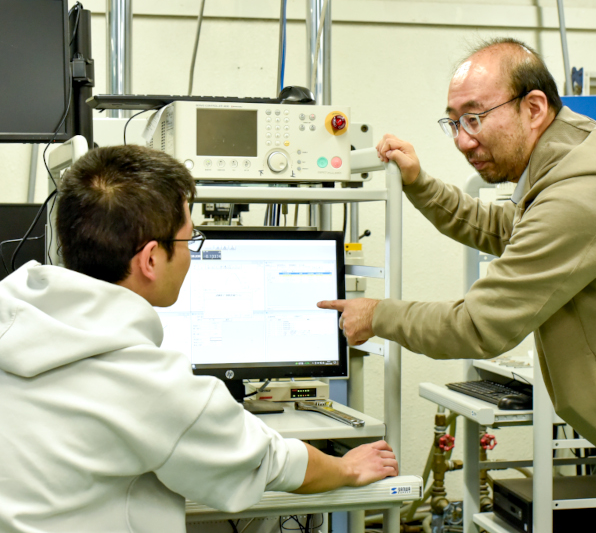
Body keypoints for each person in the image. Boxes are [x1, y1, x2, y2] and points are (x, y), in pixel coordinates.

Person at [318, 38, 596, 532]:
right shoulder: (565, 164)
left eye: (475, 117)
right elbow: (499, 227)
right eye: (455, 122)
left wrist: (377, 315)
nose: (464, 139)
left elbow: (477, 324)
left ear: (533, 108)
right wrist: (421, 184)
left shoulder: (581, 193)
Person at [0, 145, 397, 533]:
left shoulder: (11, 315)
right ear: (151, 259)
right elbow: (266, 461)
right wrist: (346, 466)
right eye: (190, 240)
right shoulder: (148, 383)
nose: (192, 252)